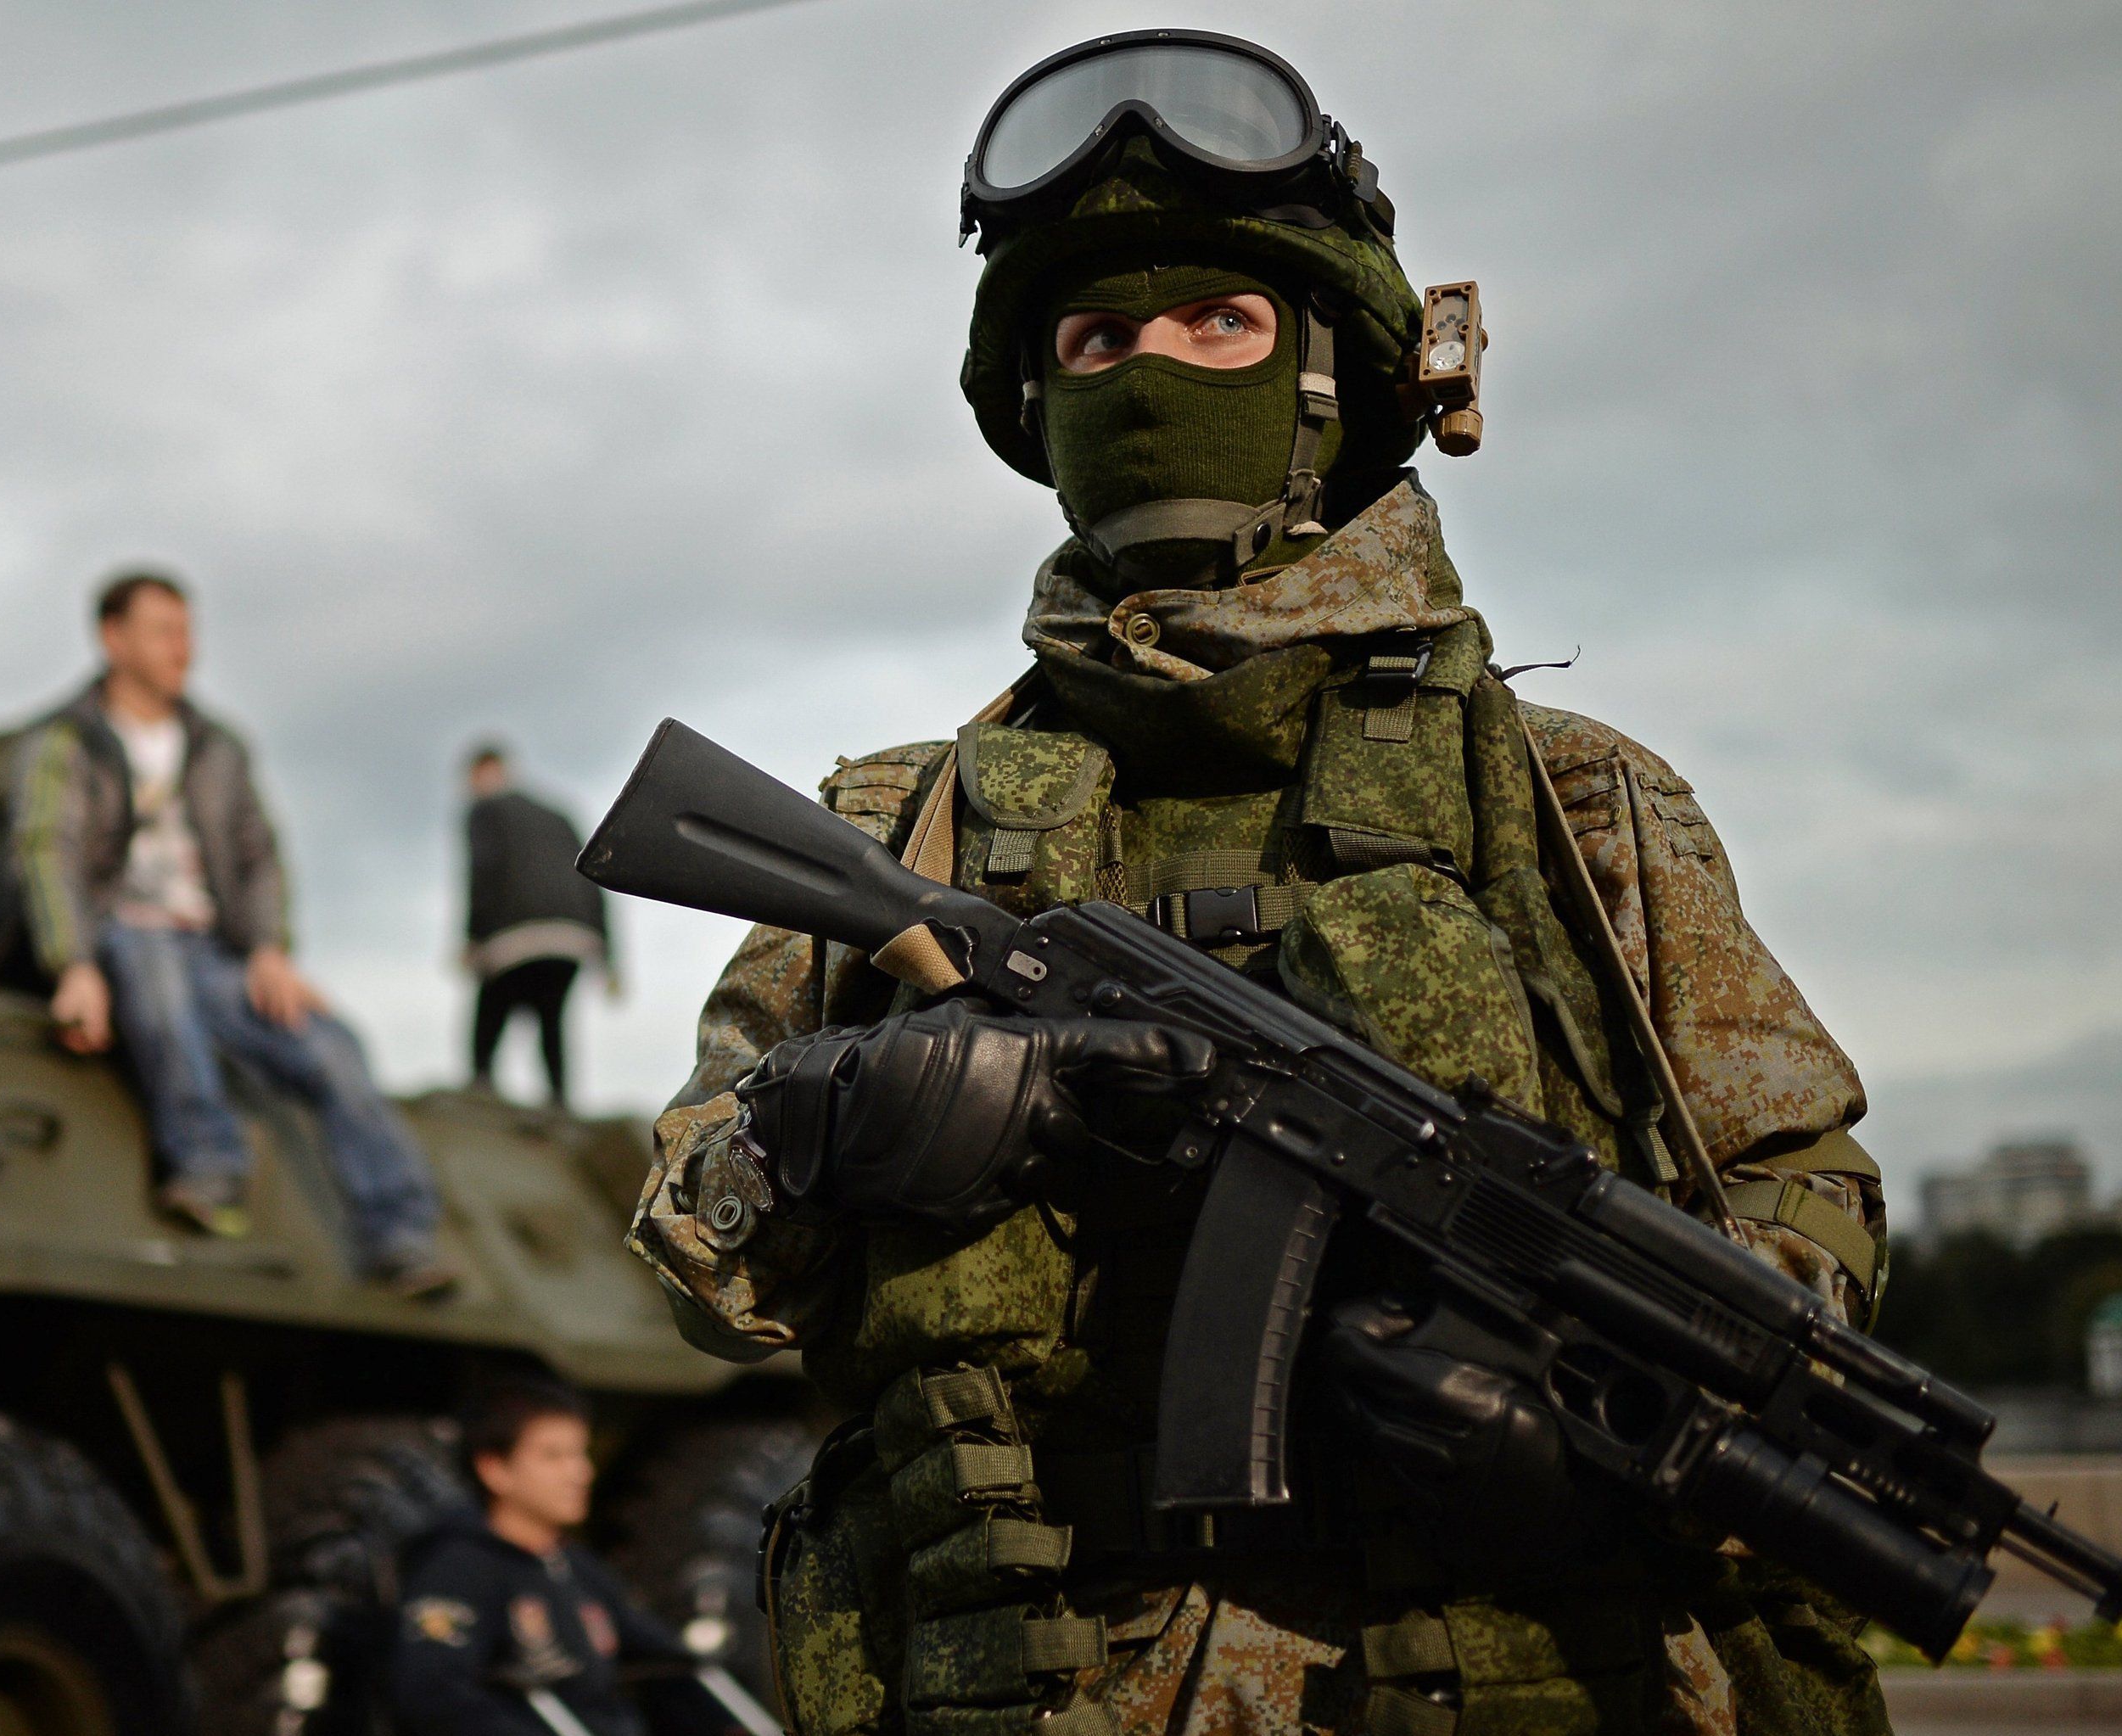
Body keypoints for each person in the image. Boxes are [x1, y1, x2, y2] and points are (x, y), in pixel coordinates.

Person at [627, 31, 1890, 1736]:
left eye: (1211, 323)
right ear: (1035, 396)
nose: (1145, 366)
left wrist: (1582, 1408)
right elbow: (697, 1256)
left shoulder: (1566, 805)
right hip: (1023, 1678)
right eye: (1093, 335)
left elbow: (1798, 1203)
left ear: (1328, 380)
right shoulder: (901, 825)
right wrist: (841, 1114)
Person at [7, 569, 456, 1296]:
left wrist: (269, 950)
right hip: (119, 933)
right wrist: (75, 964)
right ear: (112, 639)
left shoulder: (216, 745)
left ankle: (400, 1234)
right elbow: (45, 850)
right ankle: (210, 1167)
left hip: (213, 949)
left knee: (332, 1047)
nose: (182, 648)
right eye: (161, 631)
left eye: (187, 631)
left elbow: (256, 853)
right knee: (155, 986)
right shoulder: (67, 742)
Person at [392, 1380, 731, 1736]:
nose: (581, 1473)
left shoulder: (575, 1566)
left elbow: (664, 1657)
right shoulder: (456, 1569)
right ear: (494, 1469)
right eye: (553, 1457)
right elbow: (433, 1695)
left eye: (580, 1454)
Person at [463, 744, 613, 1106]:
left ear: (482, 773)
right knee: (552, 1022)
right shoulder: (558, 814)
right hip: (573, 936)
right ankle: (560, 1104)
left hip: (513, 937)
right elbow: (594, 878)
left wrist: (472, 937)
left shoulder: (485, 810)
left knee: (490, 1015)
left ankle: (480, 1095)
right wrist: (608, 951)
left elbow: (482, 871)